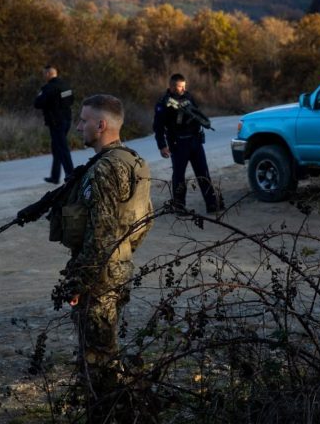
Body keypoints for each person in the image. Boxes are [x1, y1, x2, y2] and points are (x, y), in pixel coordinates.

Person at [45, 94, 153, 417]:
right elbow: (145, 220)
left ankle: (113, 413)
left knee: (97, 363)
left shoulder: (104, 170)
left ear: (101, 125)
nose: (78, 126)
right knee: (106, 352)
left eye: (84, 120)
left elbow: (102, 233)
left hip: (99, 279)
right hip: (118, 268)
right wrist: (123, 256)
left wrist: (79, 281)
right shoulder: (133, 161)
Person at [152, 73, 223, 213]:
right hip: (178, 143)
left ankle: (212, 204)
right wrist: (162, 146)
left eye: (184, 86)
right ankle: (179, 206)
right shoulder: (163, 104)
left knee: (203, 173)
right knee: (179, 176)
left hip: (195, 141)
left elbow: (197, 113)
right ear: (172, 87)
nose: (183, 89)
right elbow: (158, 127)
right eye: (180, 87)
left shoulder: (189, 97)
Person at [34, 65, 74, 184]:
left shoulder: (48, 88)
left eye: (44, 74)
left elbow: (37, 103)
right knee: (57, 148)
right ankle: (55, 176)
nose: (43, 76)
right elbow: (71, 100)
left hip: (56, 122)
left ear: (48, 74)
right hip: (67, 120)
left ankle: (71, 175)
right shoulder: (65, 86)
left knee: (62, 148)